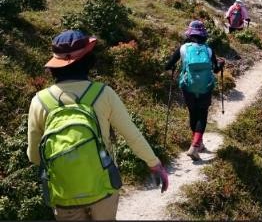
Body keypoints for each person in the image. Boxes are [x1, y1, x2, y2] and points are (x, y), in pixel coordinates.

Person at [27, 30, 168, 221]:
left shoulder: (39, 101)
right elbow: (132, 135)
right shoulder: (104, 93)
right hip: (103, 188)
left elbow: (35, 156)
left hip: (63, 192)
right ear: (88, 60)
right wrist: (154, 164)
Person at [165, 20, 224, 161]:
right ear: (203, 34)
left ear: (190, 33)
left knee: (193, 113)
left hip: (188, 86)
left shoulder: (183, 48)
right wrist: (221, 65)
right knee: (202, 115)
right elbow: (215, 70)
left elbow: (167, 65)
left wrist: (174, 66)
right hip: (205, 87)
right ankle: (196, 145)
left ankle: (197, 144)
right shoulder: (209, 50)